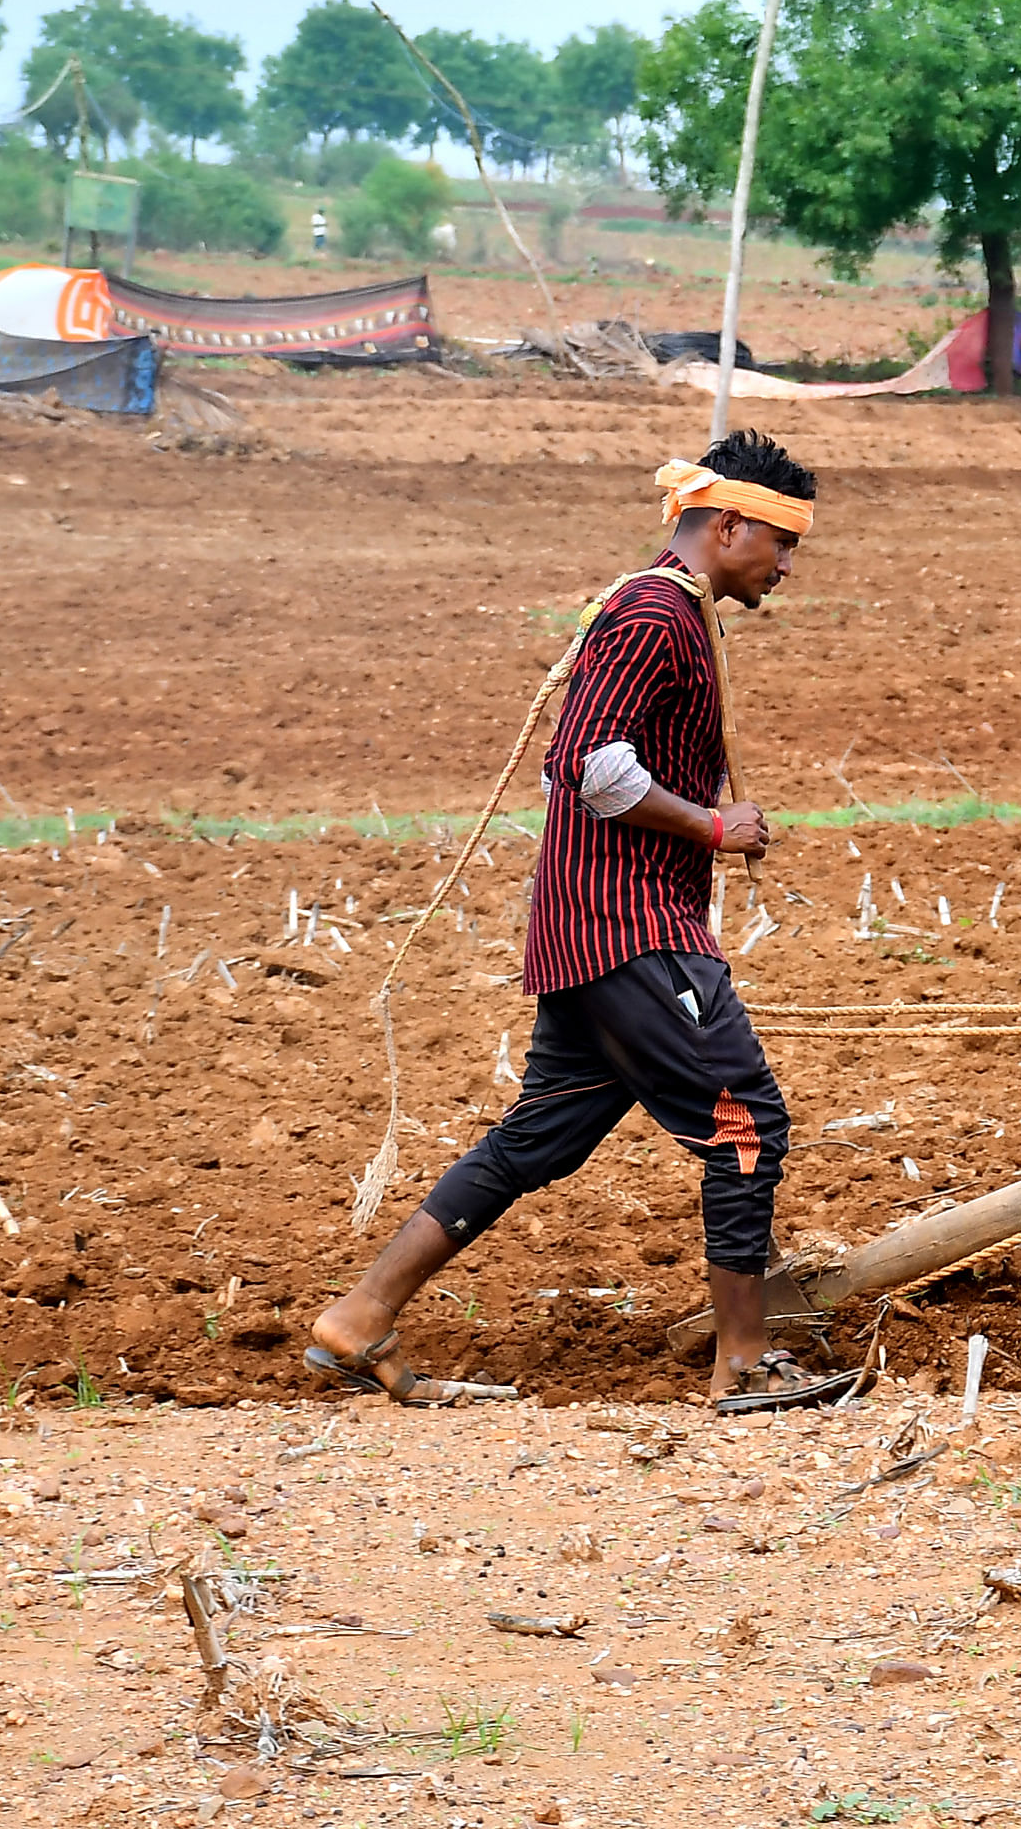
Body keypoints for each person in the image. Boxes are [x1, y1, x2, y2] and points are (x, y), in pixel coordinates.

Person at [303, 428, 850, 1412]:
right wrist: (712, 825)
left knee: (532, 1143)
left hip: (590, 930)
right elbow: (591, 766)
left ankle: (359, 1317)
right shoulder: (653, 614)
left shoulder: (672, 609)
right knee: (746, 1126)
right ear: (727, 526)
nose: (787, 566)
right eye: (782, 543)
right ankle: (744, 1362)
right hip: (631, 928)